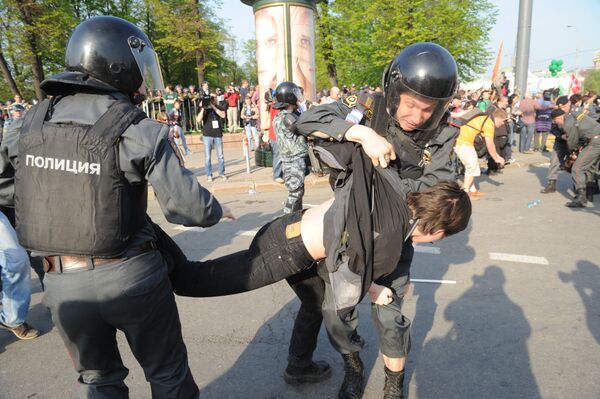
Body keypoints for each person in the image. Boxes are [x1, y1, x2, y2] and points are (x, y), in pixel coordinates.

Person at [0, 16, 232, 398]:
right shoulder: (138, 128)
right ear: (117, 65)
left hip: (59, 282)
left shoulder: (26, 126)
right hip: (130, 276)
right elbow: (193, 211)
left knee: (99, 381)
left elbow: (8, 192)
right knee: (168, 375)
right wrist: (213, 205)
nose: (143, 82)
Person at [272, 82, 308, 213]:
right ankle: (286, 222)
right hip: (294, 162)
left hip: (291, 160)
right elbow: (309, 123)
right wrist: (303, 104)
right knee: (295, 194)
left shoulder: (280, 116)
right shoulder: (289, 118)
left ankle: (295, 220)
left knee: (298, 192)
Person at [454, 109, 507, 197]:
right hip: (463, 142)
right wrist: (496, 158)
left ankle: (473, 190)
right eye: (503, 121)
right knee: (472, 166)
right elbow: (490, 143)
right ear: (499, 118)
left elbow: (490, 143)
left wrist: (497, 156)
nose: (503, 124)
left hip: (461, 140)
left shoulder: (485, 118)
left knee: (472, 166)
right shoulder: (489, 123)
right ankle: (465, 193)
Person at [554, 106, 600, 207]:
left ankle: (581, 198)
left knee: (577, 168)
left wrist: (572, 152)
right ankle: (589, 193)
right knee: (589, 167)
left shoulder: (568, 123)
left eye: (555, 121)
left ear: (558, 118)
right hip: (594, 138)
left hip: (595, 142)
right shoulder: (574, 115)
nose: (557, 124)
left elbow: (572, 141)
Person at [540, 96, 572, 194]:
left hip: (574, 141)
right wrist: (560, 135)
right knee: (554, 161)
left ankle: (581, 187)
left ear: (568, 104)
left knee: (577, 163)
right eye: (560, 107)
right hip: (561, 140)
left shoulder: (575, 112)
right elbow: (552, 127)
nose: (562, 109)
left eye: (563, 107)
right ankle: (551, 184)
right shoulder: (556, 113)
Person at [197, 92, 228, 182]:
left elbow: (223, 115)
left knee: (220, 156)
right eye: (211, 98)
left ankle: (222, 173)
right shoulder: (204, 108)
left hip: (217, 134)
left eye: (214, 98)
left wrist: (213, 107)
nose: (213, 99)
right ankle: (209, 174)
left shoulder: (218, 107)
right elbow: (198, 120)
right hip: (207, 135)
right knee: (207, 157)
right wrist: (203, 107)